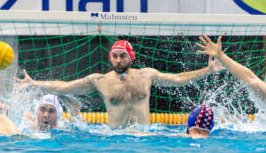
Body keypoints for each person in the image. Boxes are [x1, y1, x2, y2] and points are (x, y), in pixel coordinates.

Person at [16, 39, 222, 128]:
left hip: (145, 135)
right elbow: (65, 86)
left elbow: (178, 79)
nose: (117, 60)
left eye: (122, 56)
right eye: (114, 56)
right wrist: (36, 83)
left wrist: (208, 70)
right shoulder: (100, 81)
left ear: (130, 57)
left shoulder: (146, 75)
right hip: (114, 136)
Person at [0, 48, 67, 132]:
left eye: (51, 111)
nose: (46, 115)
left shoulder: (62, 132)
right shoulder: (26, 119)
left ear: (58, 114)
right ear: (37, 111)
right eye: (42, 109)